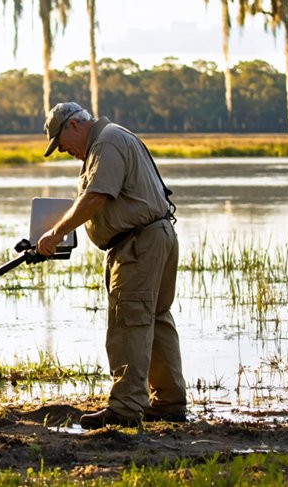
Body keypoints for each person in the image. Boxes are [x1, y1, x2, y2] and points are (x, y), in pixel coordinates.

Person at [36, 102, 186, 428]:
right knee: (155, 318)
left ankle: (126, 409)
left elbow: (95, 197)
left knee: (128, 322)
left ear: (74, 126)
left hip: (139, 244)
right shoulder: (111, 139)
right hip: (154, 236)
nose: (63, 150)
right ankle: (169, 402)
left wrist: (56, 232)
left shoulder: (106, 141)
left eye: (61, 143)